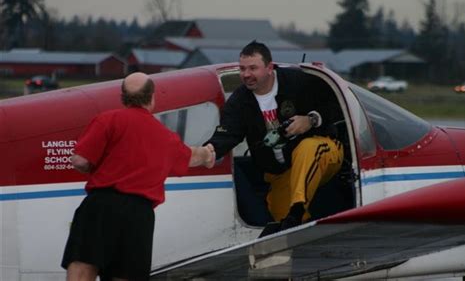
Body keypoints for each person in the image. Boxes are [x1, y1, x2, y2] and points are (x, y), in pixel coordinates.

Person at [62, 72, 215, 281]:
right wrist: (208, 155)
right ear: (152, 97)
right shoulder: (165, 136)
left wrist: (96, 168)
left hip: (100, 206)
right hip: (138, 216)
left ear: (122, 97)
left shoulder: (107, 120)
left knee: (82, 269)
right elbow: (191, 157)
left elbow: (79, 160)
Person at [205, 41, 343, 232]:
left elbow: (337, 105)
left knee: (308, 148)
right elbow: (228, 133)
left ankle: (297, 209)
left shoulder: (299, 81)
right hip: (281, 173)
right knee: (283, 223)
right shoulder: (239, 101)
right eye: (242, 69)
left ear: (270, 67)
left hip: (326, 151)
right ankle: (300, 232)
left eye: (253, 68)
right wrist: (207, 151)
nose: (246, 75)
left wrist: (310, 120)